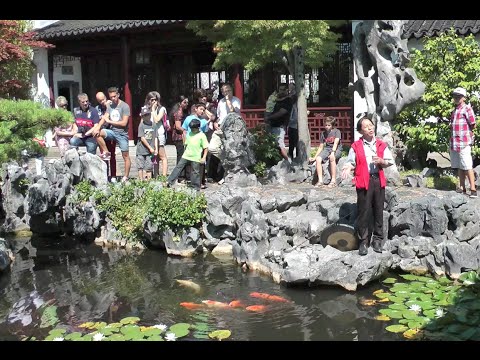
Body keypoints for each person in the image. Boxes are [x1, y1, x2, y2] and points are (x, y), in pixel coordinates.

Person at [341, 115, 394, 256]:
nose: (370, 128)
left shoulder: (381, 144)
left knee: (378, 210)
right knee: (363, 211)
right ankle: (363, 242)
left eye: (371, 125)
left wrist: (382, 161)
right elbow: (351, 162)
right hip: (363, 181)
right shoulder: (356, 146)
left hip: (378, 179)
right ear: (360, 131)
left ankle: (377, 240)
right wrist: (347, 167)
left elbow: (389, 161)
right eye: (366, 127)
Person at [92, 87, 132, 183]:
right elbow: (104, 117)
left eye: (114, 96)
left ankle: (125, 177)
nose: (113, 98)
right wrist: (97, 128)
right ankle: (106, 151)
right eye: (111, 97)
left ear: (118, 95)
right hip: (112, 132)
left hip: (122, 134)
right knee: (97, 133)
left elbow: (124, 123)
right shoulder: (110, 106)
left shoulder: (125, 106)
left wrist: (109, 121)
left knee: (125, 156)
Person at [449, 87, 477, 198]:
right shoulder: (455, 110)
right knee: (460, 165)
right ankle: (462, 187)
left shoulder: (467, 109)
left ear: (464, 98)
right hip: (455, 142)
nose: (456, 98)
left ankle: (473, 189)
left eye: (459, 96)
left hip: (464, 141)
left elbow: (473, 124)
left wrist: (468, 133)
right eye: (455, 96)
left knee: (467, 165)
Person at [167, 119, 208, 191]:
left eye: (193, 129)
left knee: (195, 172)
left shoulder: (202, 135)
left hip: (196, 156)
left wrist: (204, 157)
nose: (192, 130)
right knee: (178, 167)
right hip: (186, 155)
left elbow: (205, 147)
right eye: (191, 128)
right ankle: (169, 181)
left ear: (198, 128)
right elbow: (186, 144)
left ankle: (195, 187)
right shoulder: (189, 134)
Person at [70, 93, 109, 157]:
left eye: (86, 101)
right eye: (83, 102)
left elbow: (96, 126)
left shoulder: (93, 111)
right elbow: (74, 124)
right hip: (80, 135)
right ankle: (75, 159)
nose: (85, 103)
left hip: (91, 136)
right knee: (73, 141)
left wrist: (85, 134)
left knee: (91, 149)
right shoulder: (76, 111)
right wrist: (75, 132)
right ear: (79, 102)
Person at [309, 116, 342, 188]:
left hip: (336, 149)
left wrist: (333, 152)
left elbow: (336, 143)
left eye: (329, 125)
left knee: (332, 158)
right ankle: (320, 180)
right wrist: (315, 157)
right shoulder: (323, 134)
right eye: (326, 125)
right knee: (318, 159)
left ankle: (333, 180)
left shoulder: (337, 131)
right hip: (327, 149)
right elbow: (321, 146)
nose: (327, 127)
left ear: (332, 125)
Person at [265, 83, 292, 161]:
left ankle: (289, 162)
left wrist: (269, 117)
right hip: (272, 125)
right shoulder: (275, 99)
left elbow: (282, 112)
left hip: (280, 126)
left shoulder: (288, 100)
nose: (282, 91)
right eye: (280, 89)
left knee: (280, 145)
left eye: (284, 90)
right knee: (272, 146)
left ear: (287, 90)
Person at [144, 91, 168, 178]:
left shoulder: (161, 109)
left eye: (155, 100)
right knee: (154, 156)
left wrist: (153, 110)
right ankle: (156, 175)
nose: (153, 102)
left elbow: (157, 119)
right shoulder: (146, 109)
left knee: (162, 156)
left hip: (159, 134)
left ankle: (164, 176)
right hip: (150, 135)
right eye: (151, 100)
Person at [95, 91, 117, 181]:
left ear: (105, 97)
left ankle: (113, 176)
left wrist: (108, 107)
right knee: (104, 155)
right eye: (100, 101)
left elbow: (114, 118)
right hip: (102, 134)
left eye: (103, 99)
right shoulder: (97, 109)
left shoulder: (113, 105)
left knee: (112, 156)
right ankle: (105, 175)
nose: (102, 102)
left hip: (111, 132)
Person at [136, 106, 158, 180]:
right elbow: (142, 138)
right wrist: (150, 147)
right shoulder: (141, 125)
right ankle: (141, 180)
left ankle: (149, 181)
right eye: (145, 115)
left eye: (148, 114)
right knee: (140, 166)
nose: (147, 116)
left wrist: (156, 148)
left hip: (150, 150)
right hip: (141, 149)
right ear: (142, 116)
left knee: (149, 166)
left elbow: (155, 137)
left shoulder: (153, 125)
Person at [287, 83, 298, 159]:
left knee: (296, 143)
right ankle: (290, 157)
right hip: (291, 125)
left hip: (295, 126)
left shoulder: (296, 106)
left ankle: (297, 157)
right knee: (291, 143)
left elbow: (295, 118)